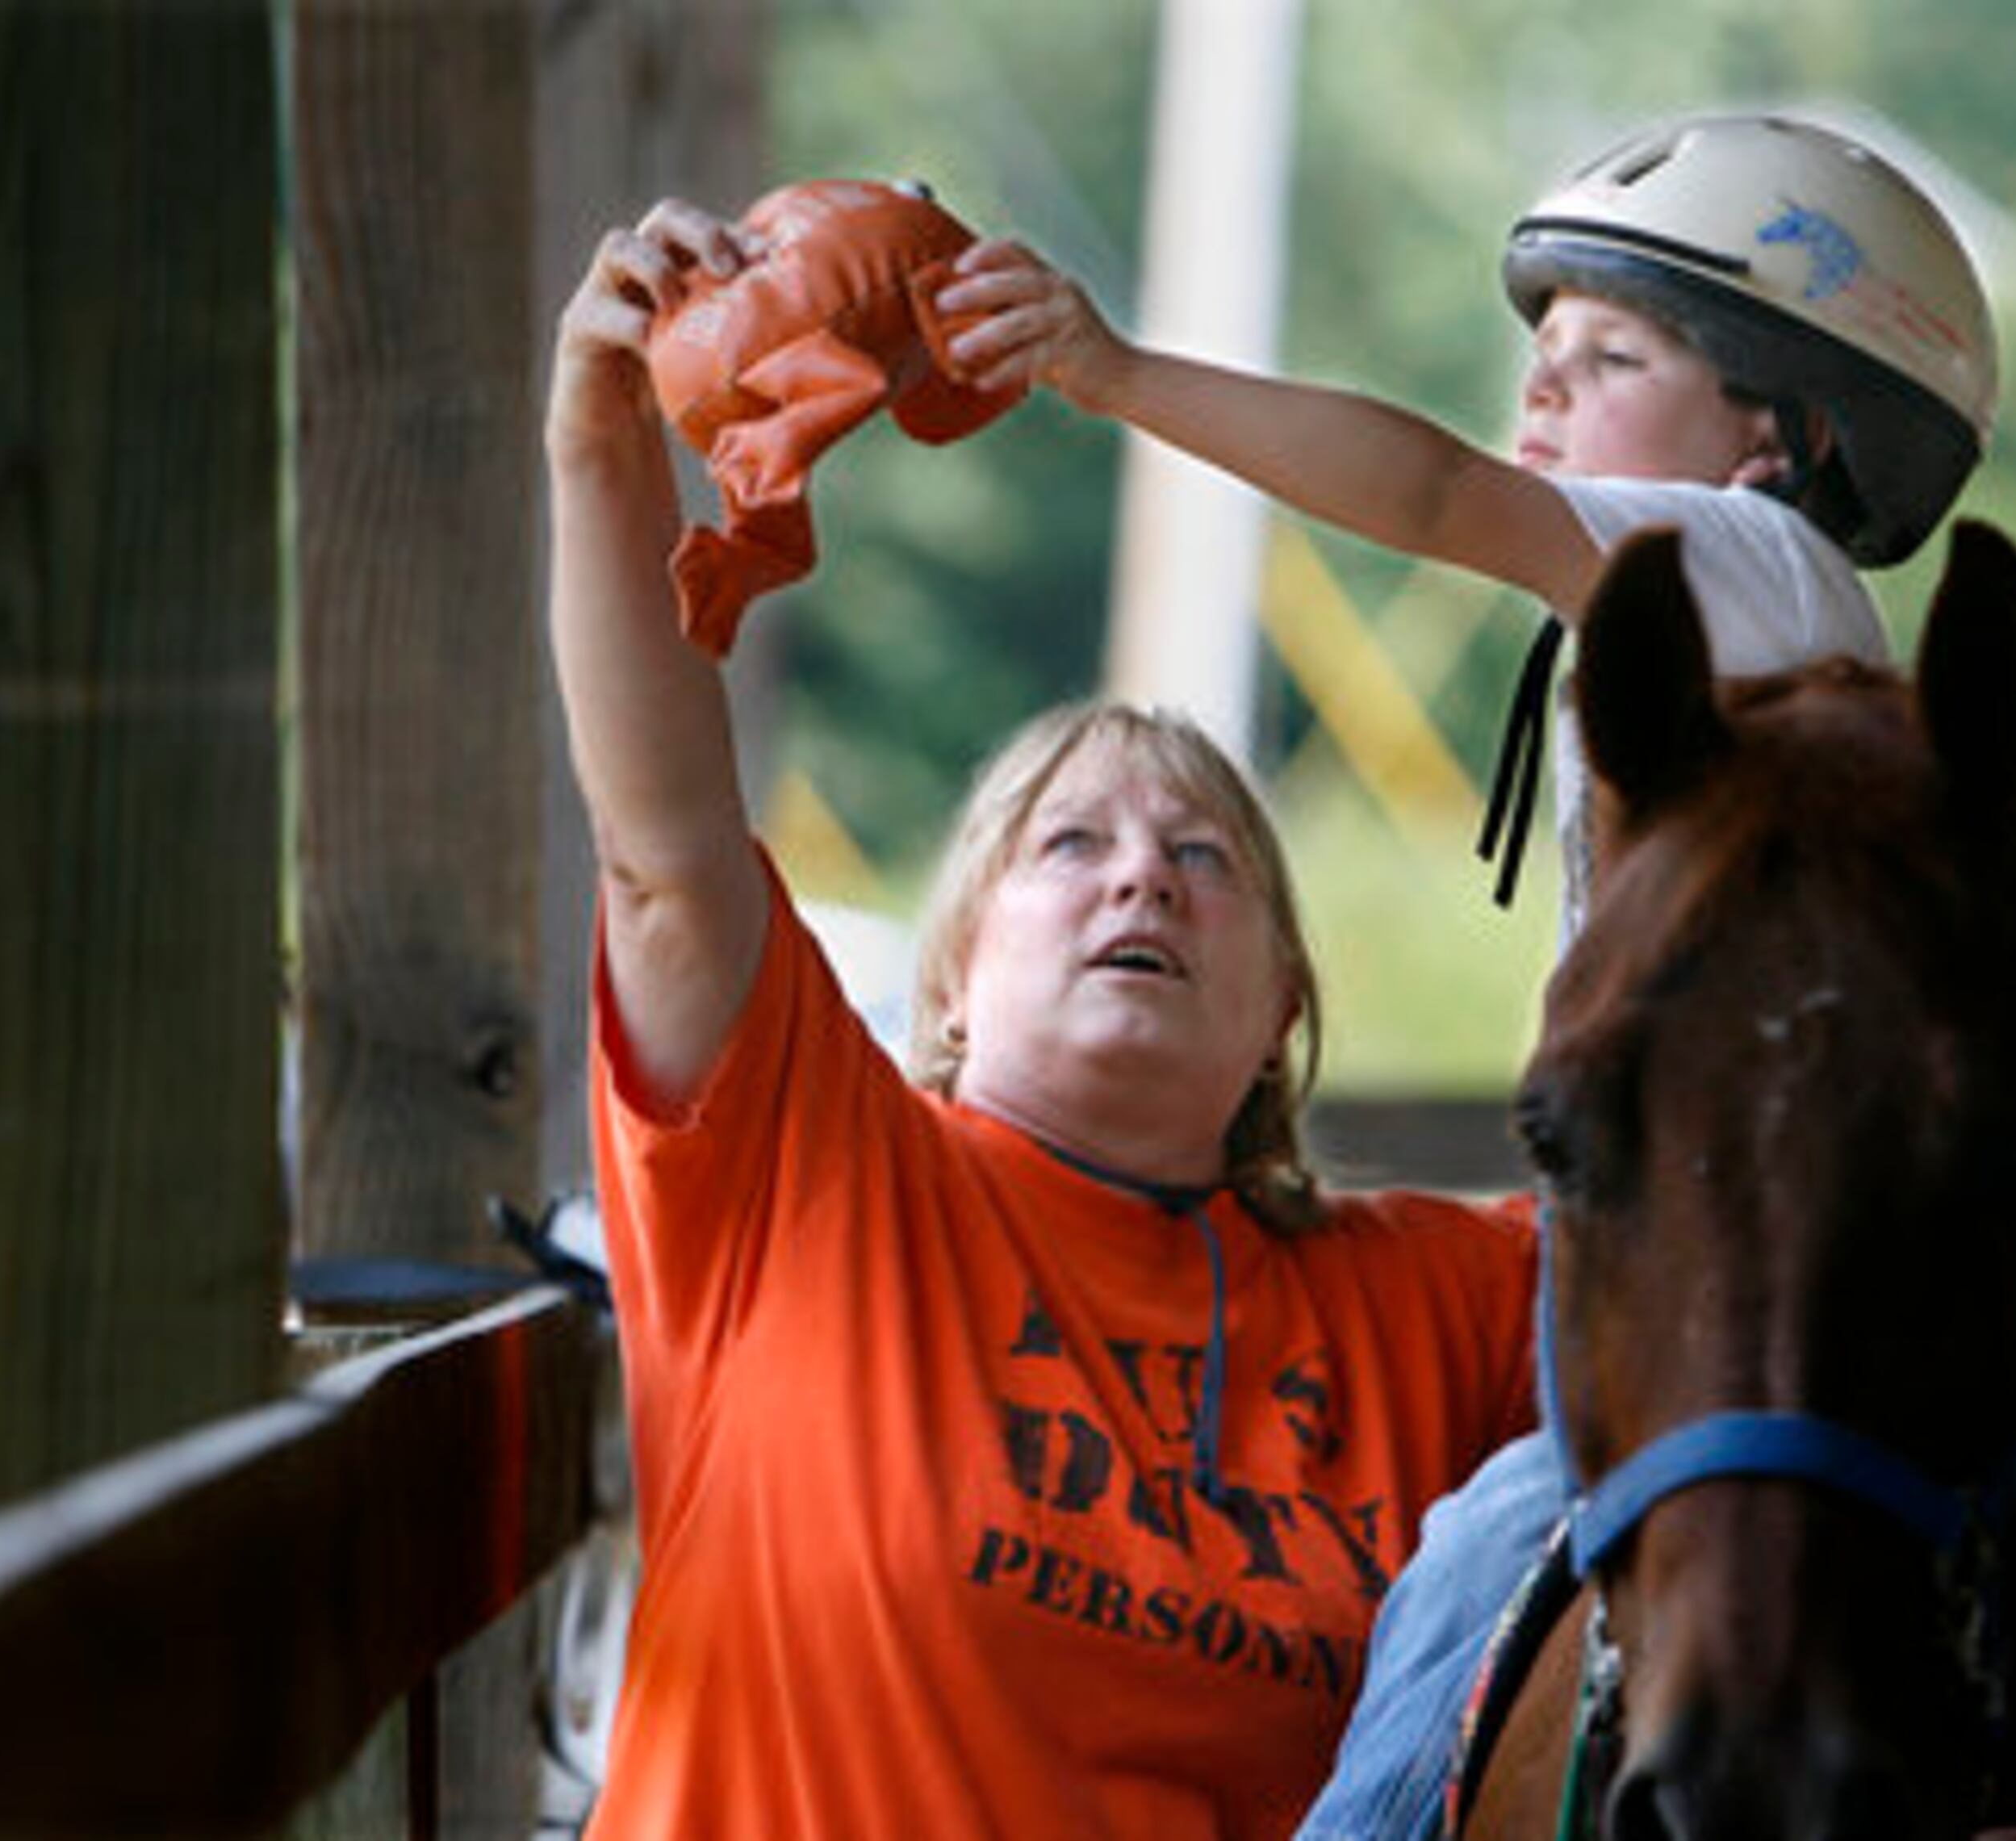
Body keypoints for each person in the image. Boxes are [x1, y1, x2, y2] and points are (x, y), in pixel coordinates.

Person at [937, 110, 2016, 1840]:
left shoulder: (1749, 558)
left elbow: (1431, 491)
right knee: (1481, 1553)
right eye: (1536, 360)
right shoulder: (1645, 677)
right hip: (1753, 1273)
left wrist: (1115, 374)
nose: (1541, 402)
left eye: (1609, 356)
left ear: (1780, 443)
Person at [549, 199, 1543, 1840]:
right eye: (1070, 845)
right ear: (951, 974)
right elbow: (659, 853)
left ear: (1281, 1006)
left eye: (1203, 856)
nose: (1139, 882)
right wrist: (595, 438)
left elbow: (1748, 1270)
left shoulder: (1437, 1299)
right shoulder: (810, 1173)